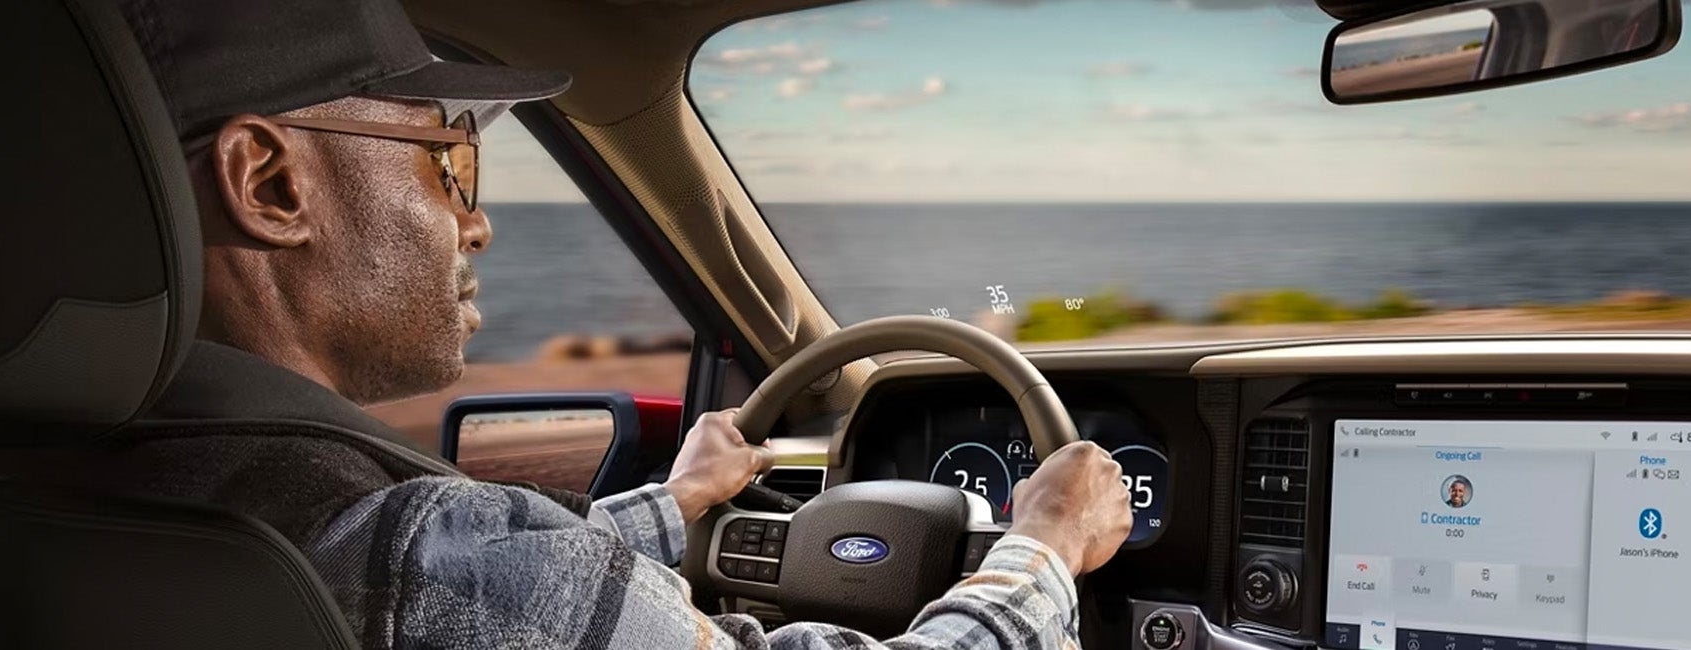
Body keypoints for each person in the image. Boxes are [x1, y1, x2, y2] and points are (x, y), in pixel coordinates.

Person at [114, 0, 1136, 648]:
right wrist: (1044, 544)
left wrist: (678, 498)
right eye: (449, 157)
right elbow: (488, 584)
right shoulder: (424, 546)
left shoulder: (45, 478)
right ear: (271, 183)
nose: (476, 219)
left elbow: (513, 599)